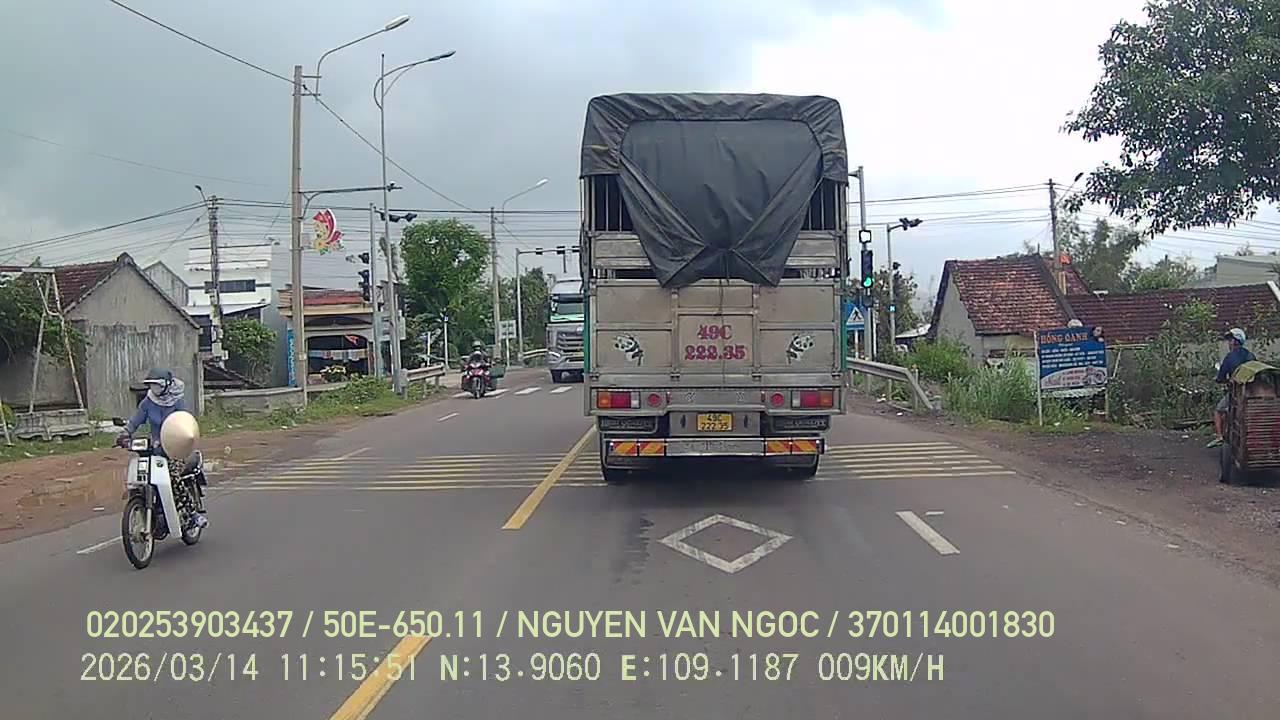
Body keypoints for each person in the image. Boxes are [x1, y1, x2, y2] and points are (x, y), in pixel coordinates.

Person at [117, 368, 206, 528]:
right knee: (141, 476)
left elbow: (184, 423)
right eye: (151, 385)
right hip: (155, 449)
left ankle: (192, 514)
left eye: (157, 384)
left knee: (173, 477)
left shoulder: (177, 402)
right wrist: (125, 433)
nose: (154, 388)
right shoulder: (148, 402)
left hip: (175, 450)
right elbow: (136, 420)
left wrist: (181, 438)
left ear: (167, 384)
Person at [1208, 328, 1255, 448]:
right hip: (1252, 394)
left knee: (1218, 410)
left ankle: (1219, 437)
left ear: (1235, 341)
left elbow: (1220, 377)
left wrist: (1223, 380)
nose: (1228, 343)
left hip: (1236, 393)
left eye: (1230, 340)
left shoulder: (1230, 357)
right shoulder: (1250, 355)